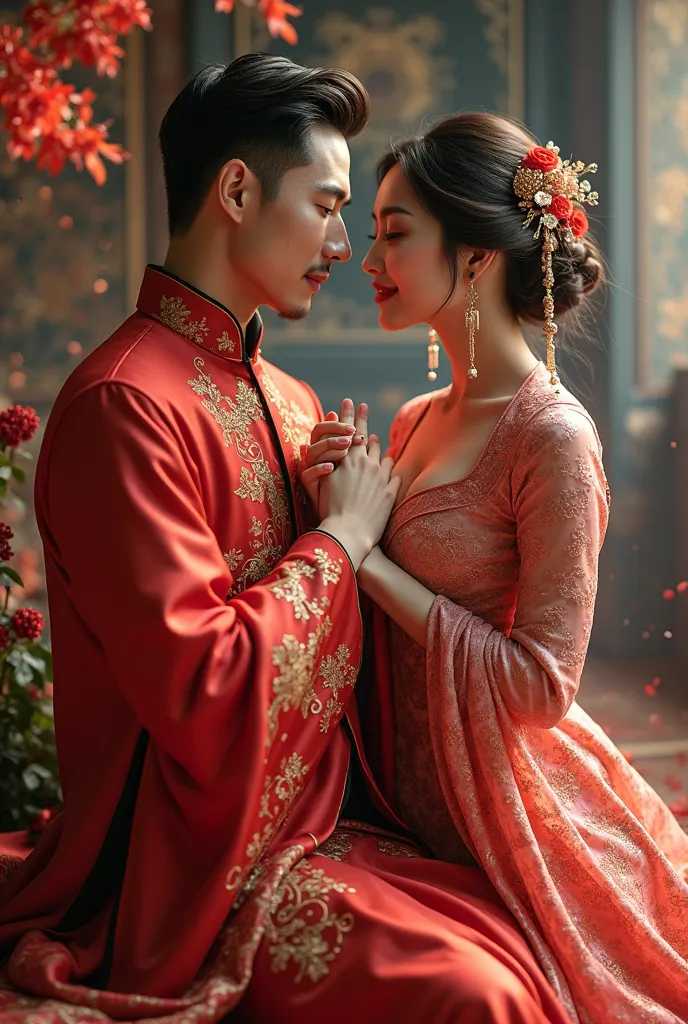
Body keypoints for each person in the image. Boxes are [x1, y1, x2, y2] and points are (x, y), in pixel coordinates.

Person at [0, 59, 569, 1024]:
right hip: (193, 861)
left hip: (335, 813)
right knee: (476, 995)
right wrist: (340, 544)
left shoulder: (293, 399)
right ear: (235, 190)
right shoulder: (124, 408)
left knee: (528, 938)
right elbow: (204, 692)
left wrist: (347, 524)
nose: (347, 245)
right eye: (328, 206)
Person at [304, 113, 688, 1023]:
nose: (367, 259)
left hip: (513, 809)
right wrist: (335, 491)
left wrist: (364, 556)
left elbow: (543, 687)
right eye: (372, 234)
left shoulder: (551, 438)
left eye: (395, 234)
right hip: (401, 791)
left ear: (477, 257)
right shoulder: (414, 418)